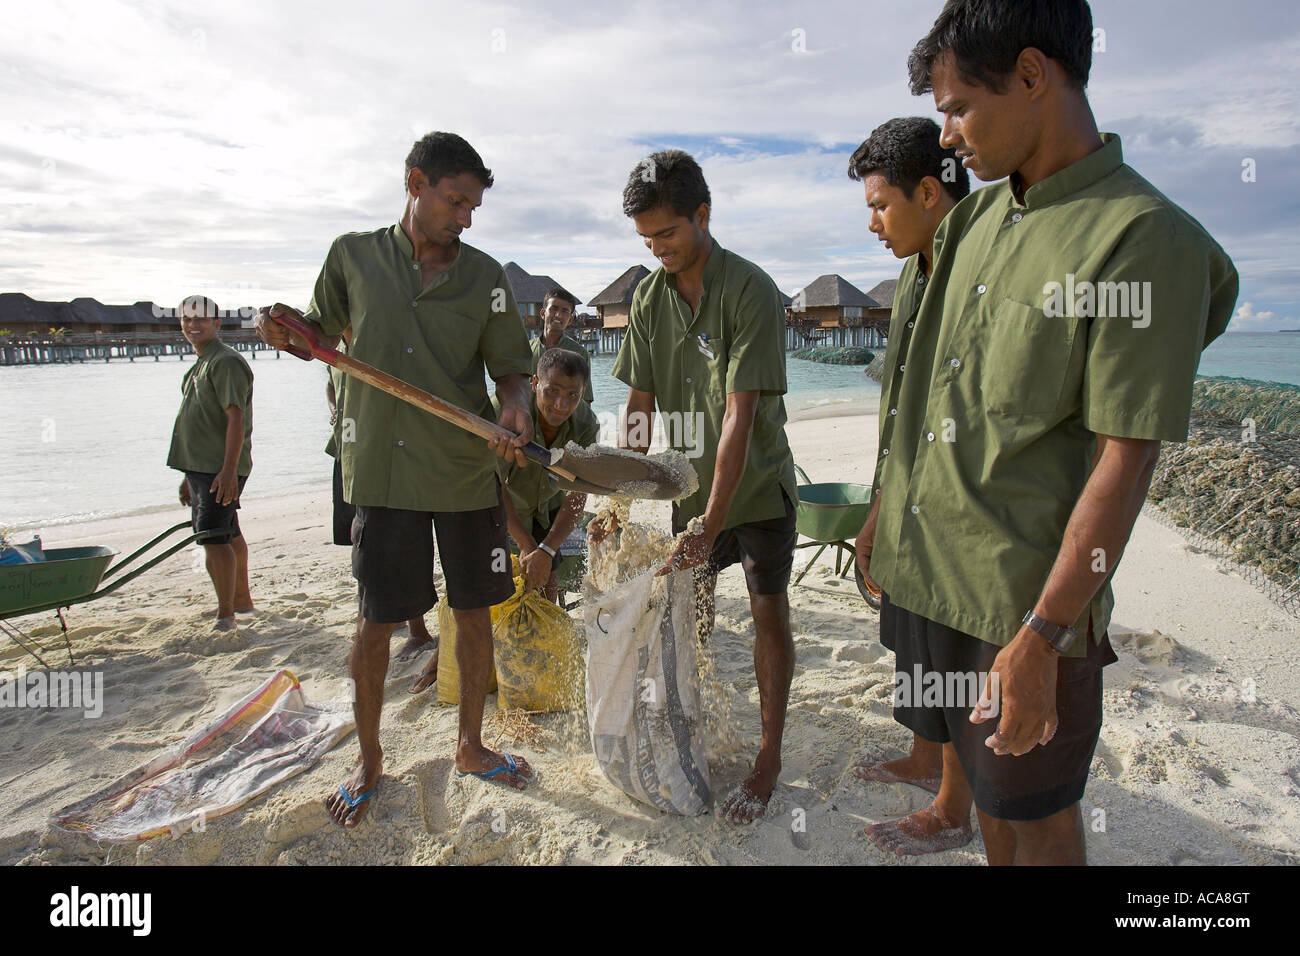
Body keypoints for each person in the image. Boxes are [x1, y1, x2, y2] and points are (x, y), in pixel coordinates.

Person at [869, 0, 1238, 865]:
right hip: (935, 580)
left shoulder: (1142, 239)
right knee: (988, 799)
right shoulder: (971, 224)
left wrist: (1042, 635)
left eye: (958, 107)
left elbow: (1127, 456)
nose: (949, 135)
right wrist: (887, 513)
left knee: (1036, 823)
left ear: (1033, 75)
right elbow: (922, 401)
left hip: (1022, 604)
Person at [254, 131, 539, 829]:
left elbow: (511, 366)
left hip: (464, 467)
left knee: (474, 611)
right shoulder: (351, 256)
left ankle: (471, 746)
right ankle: (371, 760)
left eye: (473, 206)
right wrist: (285, 330)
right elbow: (317, 334)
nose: (466, 217)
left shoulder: (487, 278)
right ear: (415, 183)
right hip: (380, 468)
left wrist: (512, 405)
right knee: (375, 621)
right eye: (455, 200)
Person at [604, 149, 798, 824]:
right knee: (695, 620)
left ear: (703, 215)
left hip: (758, 489)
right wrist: (620, 498)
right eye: (647, 239)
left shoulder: (750, 290)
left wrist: (711, 524)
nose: (658, 249)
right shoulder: (651, 299)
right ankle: (693, 730)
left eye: (668, 234)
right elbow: (639, 402)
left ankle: (769, 754)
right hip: (692, 494)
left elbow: (740, 418)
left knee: (768, 614)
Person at [845, 116, 975, 856]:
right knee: (913, 633)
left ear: (930, 192)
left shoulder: (971, 272)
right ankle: (925, 757)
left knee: (954, 645)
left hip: (958, 499)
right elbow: (900, 402)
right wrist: (877, 510)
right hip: (904, 491)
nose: (872, 224)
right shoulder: (912, 274)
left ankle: (956, 804)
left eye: (880, 205)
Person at [324, 353, 434, 667]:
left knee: (398, 545)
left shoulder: (376, 341)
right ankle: (382, 617)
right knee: (360, 541)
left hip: (384, 454)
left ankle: (418, 629)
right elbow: (329, 384)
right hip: (347, 453)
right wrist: (333, 409)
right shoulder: (334, 347)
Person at [167, 294, 254, 630]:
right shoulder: (199, 364)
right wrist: (188, 476)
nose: (193, 325)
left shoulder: (225, 362)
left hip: (219, 468)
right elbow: (199, 420)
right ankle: (241, 601)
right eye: (186, 319)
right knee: (229, 531)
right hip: (202, 468)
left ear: (217, 324)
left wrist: (229, 470)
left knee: (213, 537)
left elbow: (236, 418)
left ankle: (225, 614)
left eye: (201, 318)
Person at [530, 288, 594, 403]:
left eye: (564, 311)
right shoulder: (526, 349)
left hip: (563, 416)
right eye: (553, 309)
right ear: (543, 313)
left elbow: (585, 399)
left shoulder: (579, 353)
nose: (558, 315)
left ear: (570, 319)